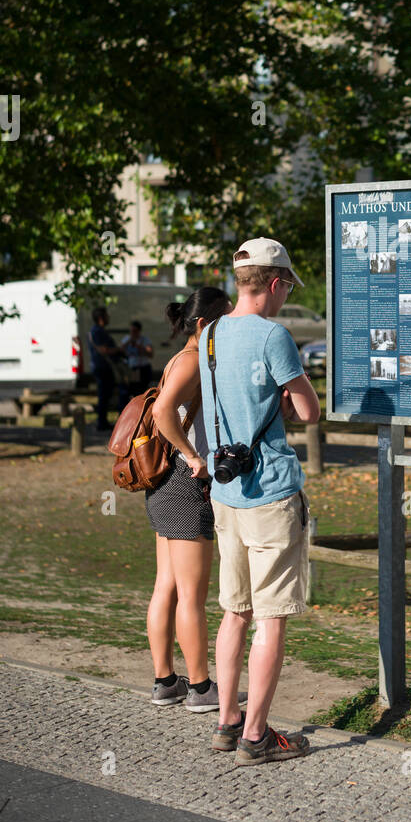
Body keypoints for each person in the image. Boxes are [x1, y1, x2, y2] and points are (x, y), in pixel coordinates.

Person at [200, 237, 320, 766]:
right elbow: (308, 411)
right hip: (269, 492)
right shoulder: (275, 336)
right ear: (274, 284)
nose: (283, 297)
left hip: (225, 492)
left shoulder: (209, 334)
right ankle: (257, 736)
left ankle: (226, 721)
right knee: (271, 617)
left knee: (234, 612)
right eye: (285, 288)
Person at [145, 286, 232, 712]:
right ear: (203, 324)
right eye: (224, 320)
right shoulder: (194, 360)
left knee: (167, 587)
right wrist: (193, 455)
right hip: (183, 481)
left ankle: (166, 681)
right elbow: (163, 413)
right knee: (191, 596)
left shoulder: (181, 358)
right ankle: (200, 688)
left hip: (163, 484)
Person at [88, 307, 123, 432]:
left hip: (102, 367)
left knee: (105, 395)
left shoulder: (98, 331)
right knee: (104, 395)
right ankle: (101, 422)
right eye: (107, 316)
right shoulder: (97, 331)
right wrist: (119, 349)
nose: (109, 318)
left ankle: (103, 421)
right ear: (101, 318)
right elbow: (104, 350)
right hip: (102, 367)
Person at [120, 320, 154, 394]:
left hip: (143, 368)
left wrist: (138, 346)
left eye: (135, 331)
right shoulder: (127, 339)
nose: (133, 333)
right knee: (132, 389)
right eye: (131, 331)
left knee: (143, 389)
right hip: (132, 368)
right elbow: (121, 351)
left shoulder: (145, 340)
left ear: (139, 331)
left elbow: (150, 354)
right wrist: (128, 342)